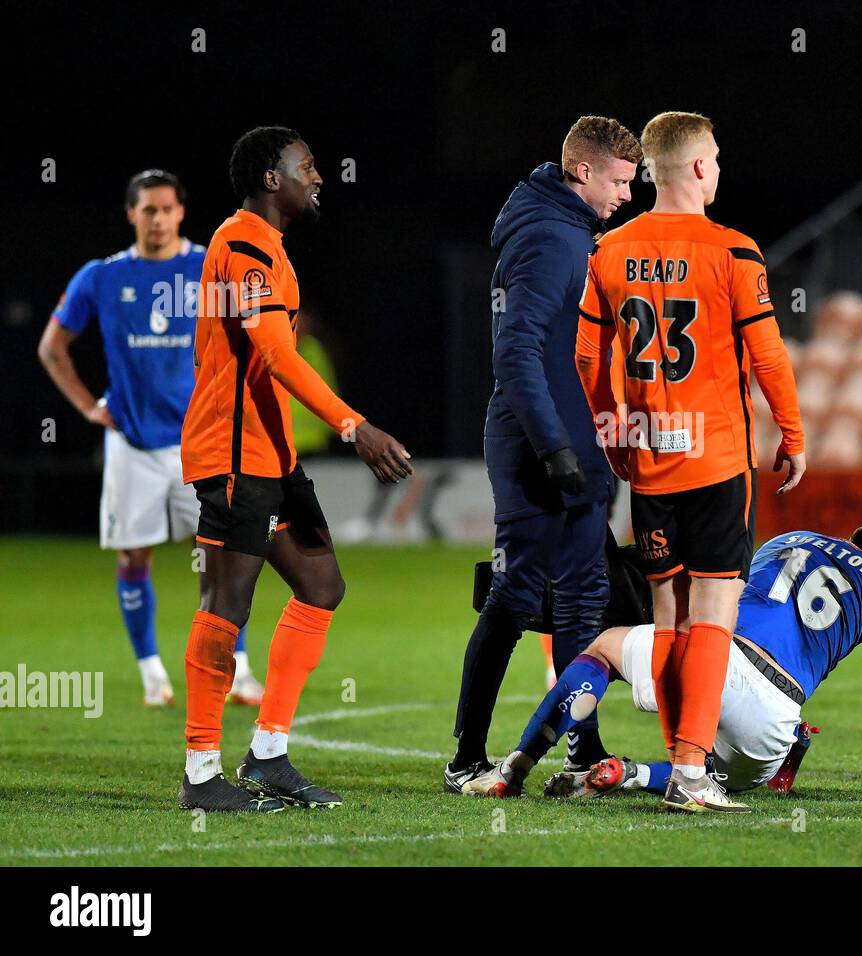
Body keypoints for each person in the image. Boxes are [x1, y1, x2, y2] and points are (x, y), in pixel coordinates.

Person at [576, 111, 806, 812]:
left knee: (671, 621)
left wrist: (612, 430)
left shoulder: (610, 249)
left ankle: (684, 763)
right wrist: (793, 435)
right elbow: (766, 354)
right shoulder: (732, 250)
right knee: (712, 619)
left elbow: (588, 355)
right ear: (701, 168)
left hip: (648, 460)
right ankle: (690, 772)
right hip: (714, 459)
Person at [177, 126, 412, 812]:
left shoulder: (272, 248)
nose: (320, 176)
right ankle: (199, 775)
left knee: (320, 583)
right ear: (271, 178)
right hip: (232, 453)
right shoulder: (244, 242)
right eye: (307, 166)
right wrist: (353, 425)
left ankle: (269, 754)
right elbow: (277, 355)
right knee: (227, 601)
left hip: (270, 455)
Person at [461, 525, 862, 808]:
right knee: (717, 774)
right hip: (772, 721)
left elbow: (720, 596)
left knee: (604, 648)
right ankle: (633, 774)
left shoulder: (789, 538)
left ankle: (515, 767)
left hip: (716, 657)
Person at [445, 117, 643, 795]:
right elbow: (517, 351)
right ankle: (468, 756)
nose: (627, 195)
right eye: (619, 181)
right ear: (583, 172)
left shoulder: (557, 224)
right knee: (522, 593)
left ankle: (580, 751)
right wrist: (554, 446)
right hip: (540, 436)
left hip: (564, 433)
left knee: (579, 601)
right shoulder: (554, 237)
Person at [37, 169, 264, 709]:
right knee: (132, 558)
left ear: (181, 212)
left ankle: (239, 670)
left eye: (166, 209)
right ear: (131, 214)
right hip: (132, 444)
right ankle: (152, 675)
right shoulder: (102, 276)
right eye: (147, 210)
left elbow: (254, 339)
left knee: (220, 558)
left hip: (200, 444)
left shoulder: (210, 266)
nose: (157, 218)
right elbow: (52, 347)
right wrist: (88, 407)